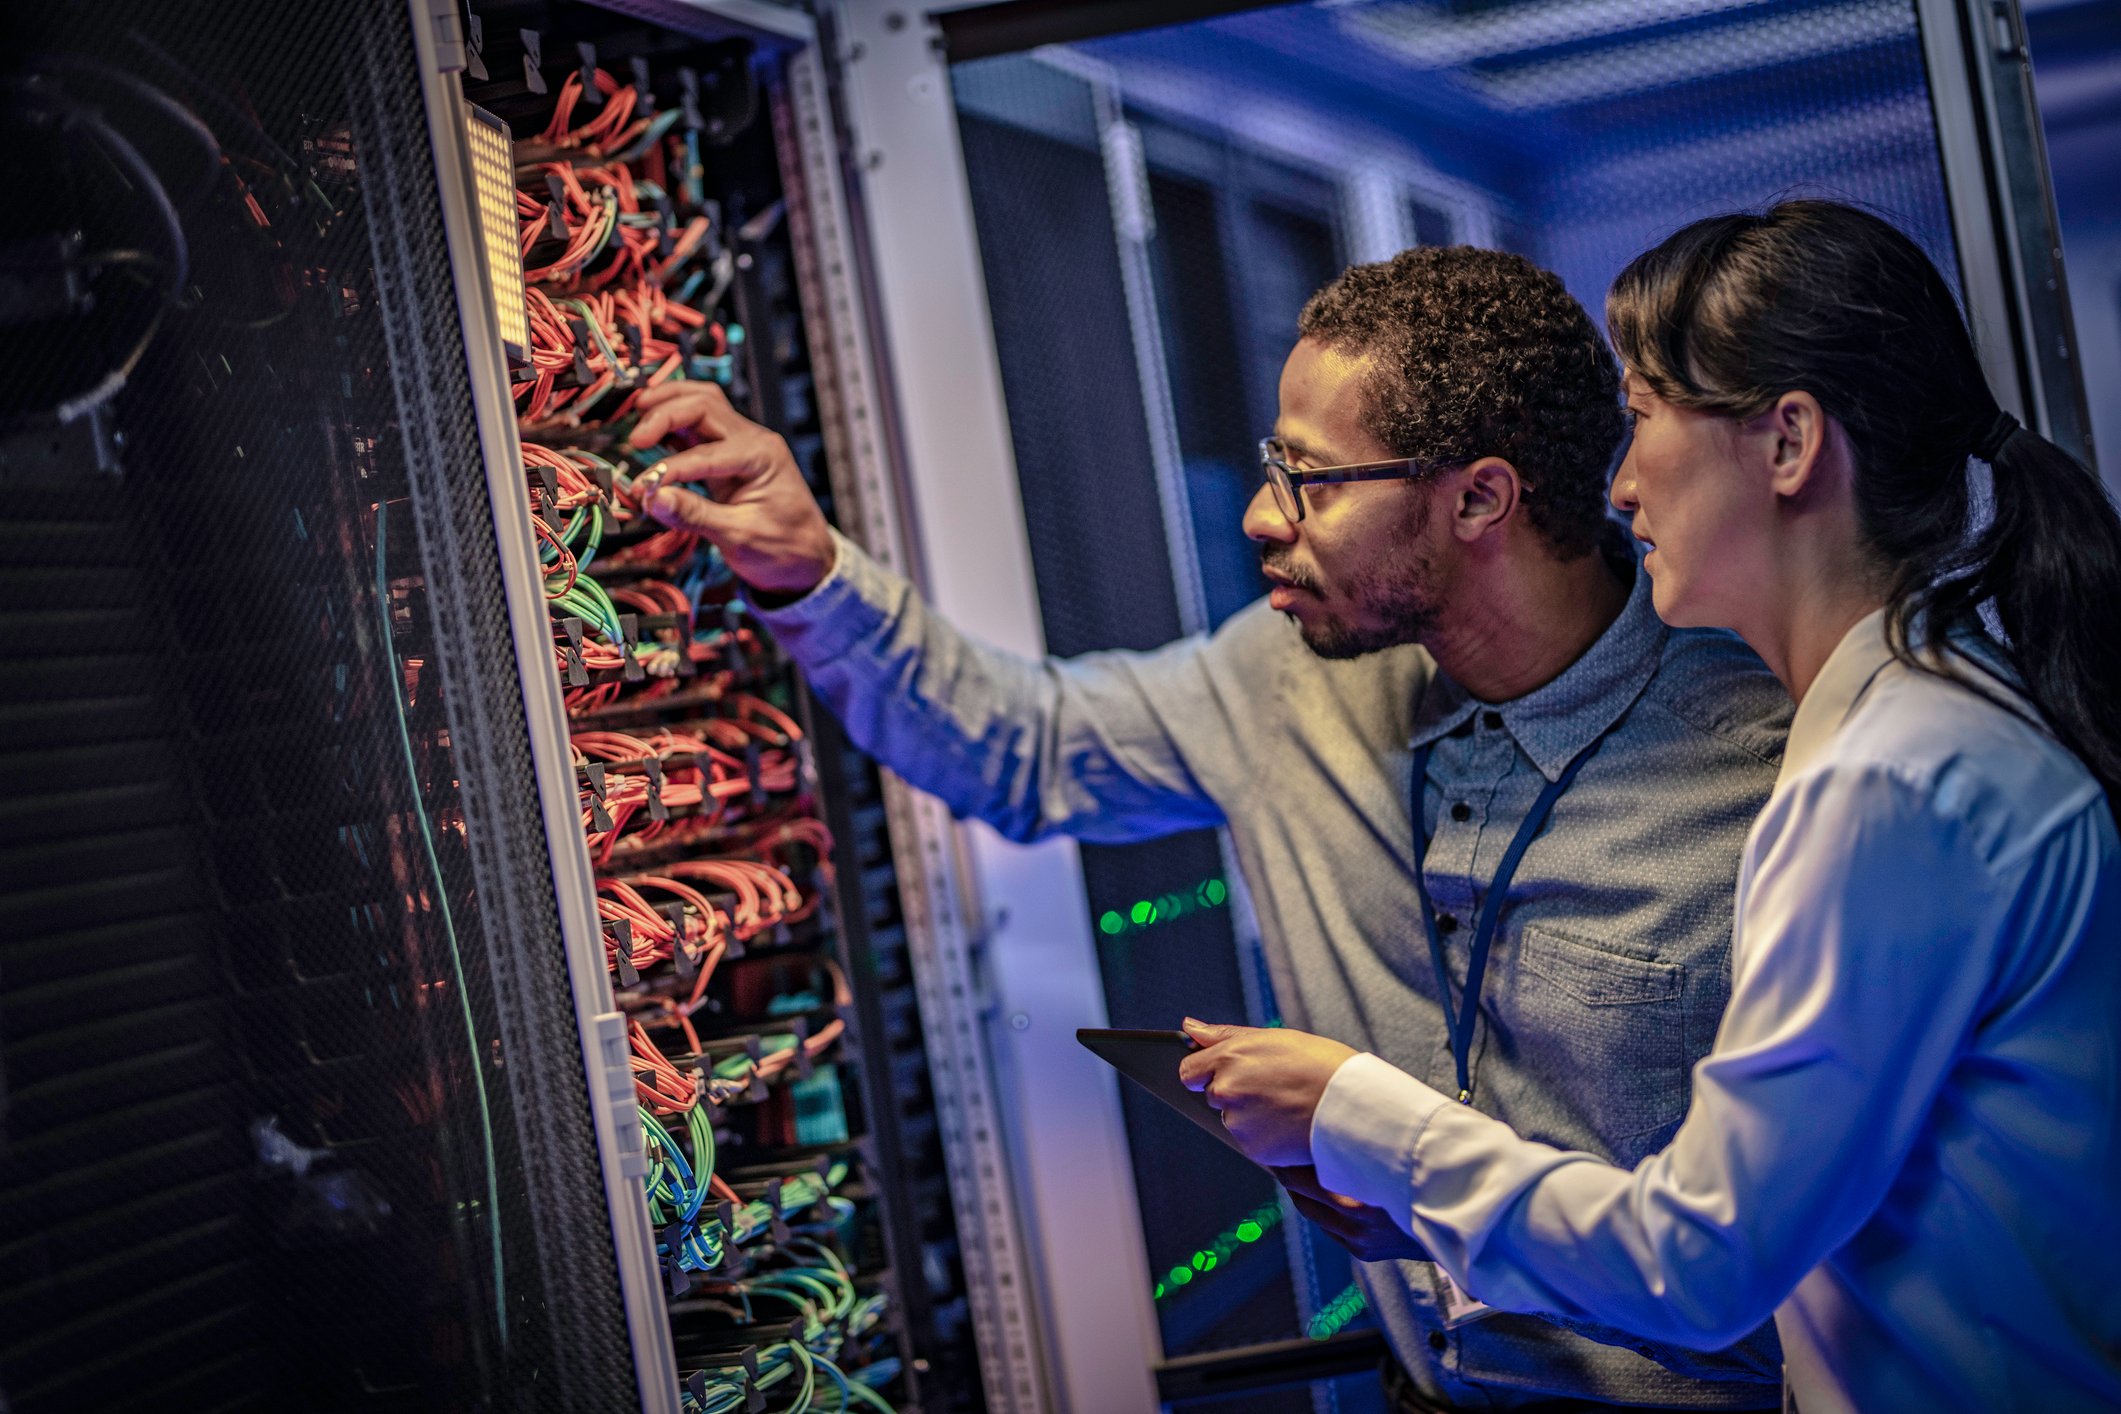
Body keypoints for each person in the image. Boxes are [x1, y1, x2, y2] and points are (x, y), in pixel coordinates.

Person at [628, 247, 1794, 1410]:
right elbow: (1023, 745)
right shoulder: (1294, 683)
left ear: (1480, 498)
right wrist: (809, 569)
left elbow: (1788, 1235)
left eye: (1312, 480)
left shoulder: (1762, 778)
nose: (1257, 516)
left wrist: (1396, 1144)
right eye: (1269, 465)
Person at [1180, 201, 2121, 1413]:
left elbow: (1702, 1262)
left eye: (1643, 420)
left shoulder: (1890, 782)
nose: (1618, 486)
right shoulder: (1908, 726)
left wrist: (1355, 1108)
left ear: (1788, 443)